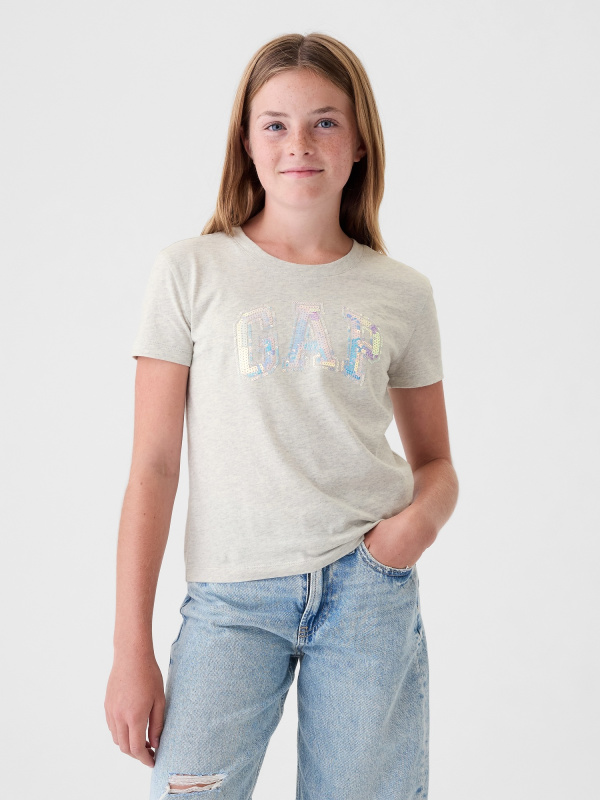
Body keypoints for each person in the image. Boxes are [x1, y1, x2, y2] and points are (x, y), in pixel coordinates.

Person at [104, 31, 459, 800]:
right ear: (247, 142)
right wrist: (131, 651)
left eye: (325, 121)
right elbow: (153, 468)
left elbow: (437, 463)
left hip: (367, 592)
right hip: (232, 599)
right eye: (276, 124)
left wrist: (410, 533)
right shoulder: (190, 272)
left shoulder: (401, 292)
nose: (299, 143)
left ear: (359, 142)